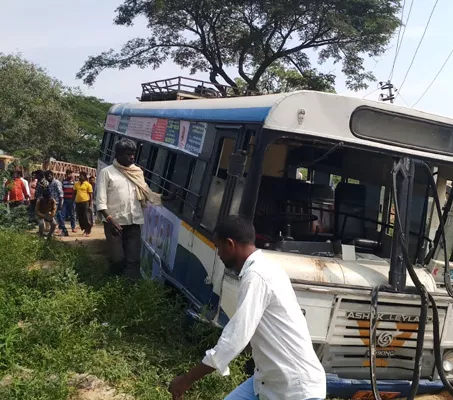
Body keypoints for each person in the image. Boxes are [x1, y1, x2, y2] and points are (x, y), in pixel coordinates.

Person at [168, 216, 326, 400]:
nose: (218, 254)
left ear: (230, 244)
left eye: (218, 247)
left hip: (295, 388)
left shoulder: (256, 275)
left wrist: (187, 380)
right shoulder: (265, 267)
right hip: (268, 380)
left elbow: (236, 337)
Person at [96, 139, 159, 277]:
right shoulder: (107, 173)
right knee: (118, 259)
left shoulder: (137, 172)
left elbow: (148, 193)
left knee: (134, 260)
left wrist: (166, 198)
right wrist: (110, 220)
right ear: (118, 154)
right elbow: (100, 202)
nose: (132, 157)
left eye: (133, 154)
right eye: (128, 154)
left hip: (134, 222)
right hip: (114, 224)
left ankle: (130, 291)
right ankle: (113, 285)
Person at [44, 170, 66, 236]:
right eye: (47, 177)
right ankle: (53, 231)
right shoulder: (48, 183)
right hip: (51, 203)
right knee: (54, 217)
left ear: (52, 176)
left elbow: (61, 193)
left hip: (57, 202)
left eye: (49, 176)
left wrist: (61, 204)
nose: (48, 178)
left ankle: (63, 231)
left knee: (58, 217)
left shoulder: (57, 182)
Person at [74, 171, 94, 236]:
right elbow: (74, 193)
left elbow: (90, 195)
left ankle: (88, 229)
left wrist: (90, 203)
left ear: (85, 177)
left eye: (81, 175)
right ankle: (85, 229)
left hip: (85, 202)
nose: (80, 177)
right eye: (80, 175)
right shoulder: (76, 184)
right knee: (80, 216)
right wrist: (72, 201)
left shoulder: (88, 184)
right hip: (78, 202)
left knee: (86, 216)